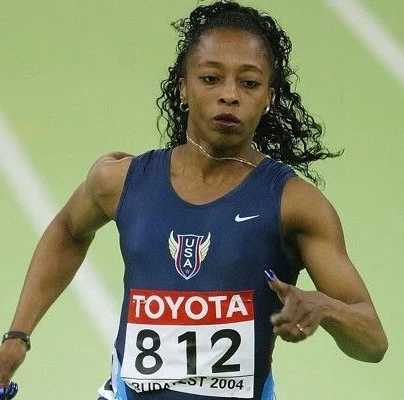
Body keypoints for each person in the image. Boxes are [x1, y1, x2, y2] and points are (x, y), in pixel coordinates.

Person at [0, 1, 388, 399]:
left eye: (249, 83)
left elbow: (373, 341)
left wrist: (324, 307)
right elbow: (68, 232)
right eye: (210, 79)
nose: (229, 95)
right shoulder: (121, 182)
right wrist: (16, 337)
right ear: (183, 87)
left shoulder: (294, 204)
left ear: (269, 97)